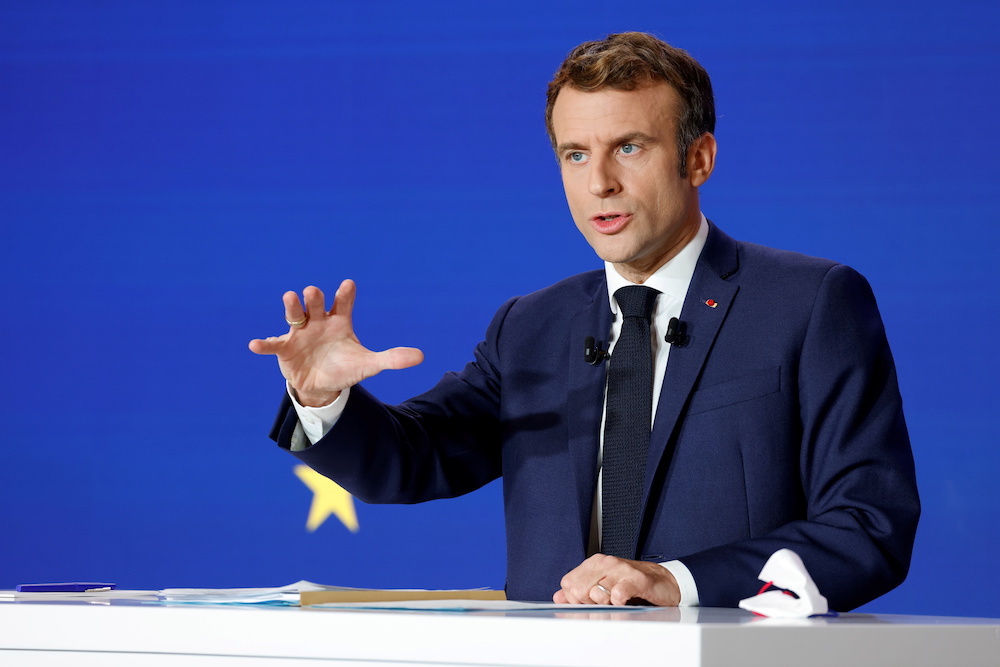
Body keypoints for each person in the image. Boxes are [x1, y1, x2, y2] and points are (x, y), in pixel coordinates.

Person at [249, 32, 919, 609]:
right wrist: (322, 397)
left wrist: (676, 581)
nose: (598, 181)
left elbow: (868, 525)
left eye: (628, 147)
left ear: (699, 159)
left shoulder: (809, 302)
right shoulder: (532, 326)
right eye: (575, 154)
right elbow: (412, 459)